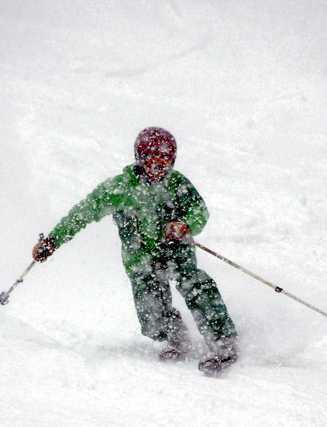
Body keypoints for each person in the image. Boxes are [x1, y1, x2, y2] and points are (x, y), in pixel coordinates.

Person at [32, 127, 238, 374]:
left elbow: (199, 211)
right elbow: (81, 214)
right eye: (154, 157)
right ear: (140, 157)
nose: (160, 164)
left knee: (194, 284)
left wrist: (185, 225)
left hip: (176, 251)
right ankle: (174, 338)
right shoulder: (118, 189)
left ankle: (223, 341)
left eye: (166, 159)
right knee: (151, 317)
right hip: (140, 258)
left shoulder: (177, 184)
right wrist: (53, 240)